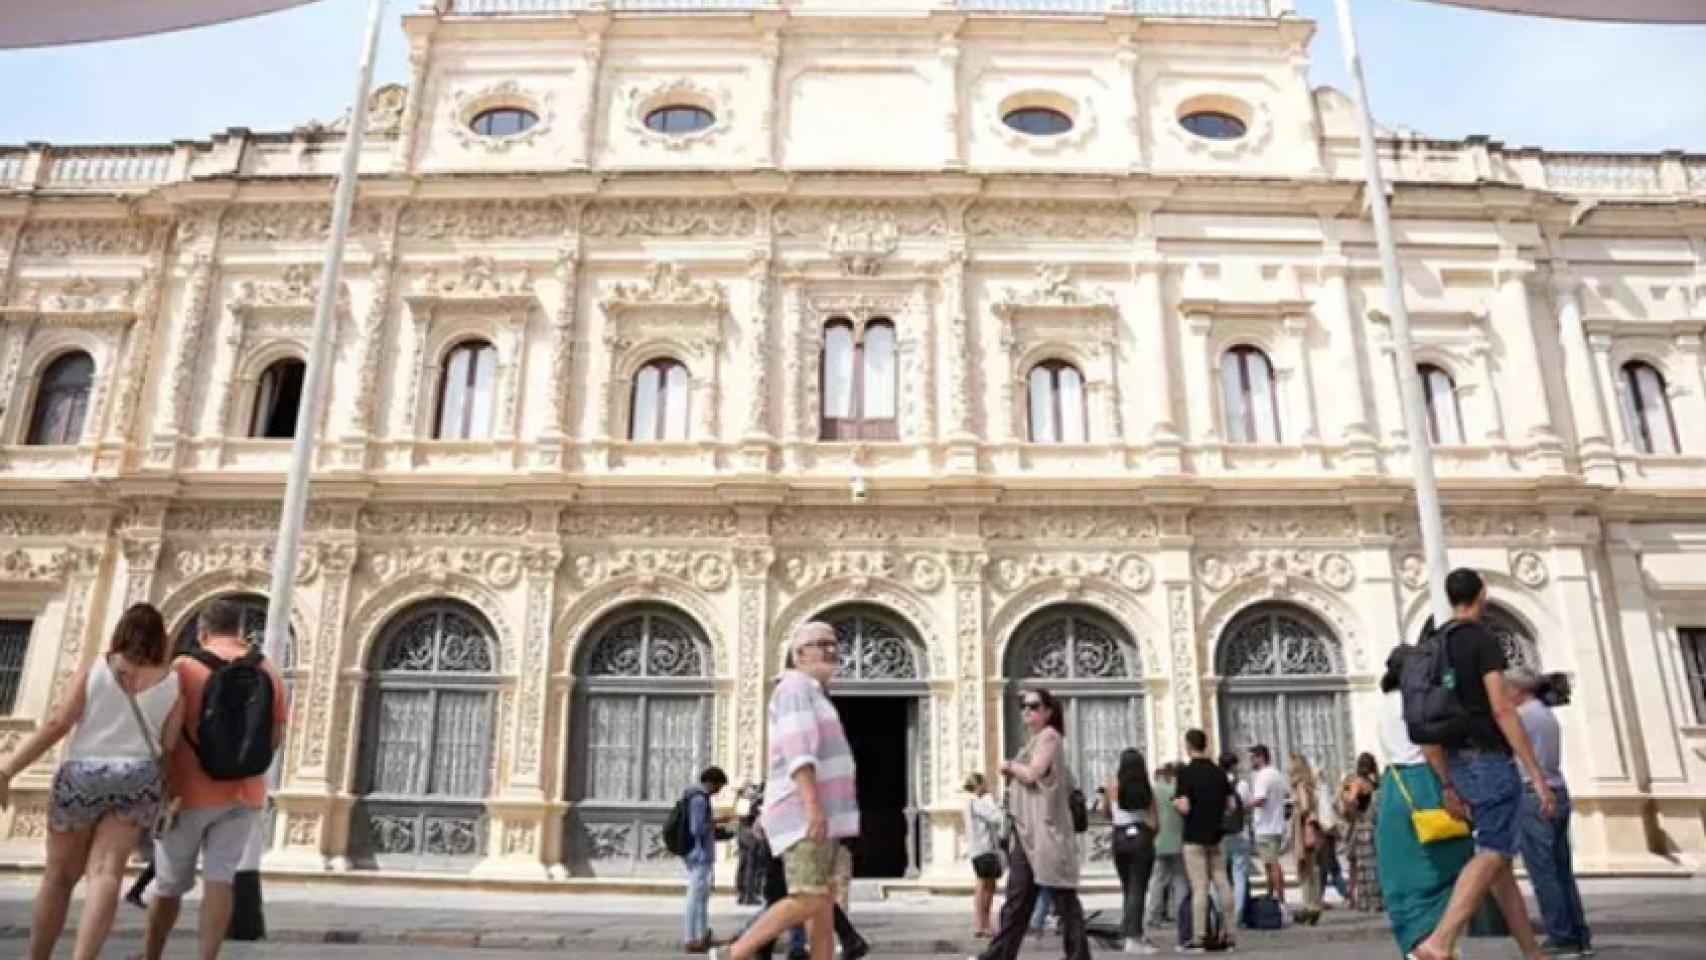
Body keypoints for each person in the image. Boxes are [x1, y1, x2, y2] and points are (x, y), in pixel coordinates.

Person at [0, 604, 183, 960]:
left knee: (58, 877)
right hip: (136, 778)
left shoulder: (94, 667)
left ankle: (38, 956)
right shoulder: (173, 682)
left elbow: (58, 724)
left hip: (82, 774)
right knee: (106, 873)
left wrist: (8, 770)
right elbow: (169, 746)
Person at [1408, 569, 1555, 960]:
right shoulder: (1482, 640)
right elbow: (1502, 708)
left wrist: (1447, 784)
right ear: (1482, 594)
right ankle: (1440, 941)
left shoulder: (1433, 644)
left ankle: (1532, 952)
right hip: (1487, 758)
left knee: (1500, 866)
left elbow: (1428, 724)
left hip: (1455, 762)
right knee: (1492, 851)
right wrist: (1536, 775)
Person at [140, 598, 288, 960]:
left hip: (187, 792)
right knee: (220, 878)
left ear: (203, 631)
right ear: (239, 630)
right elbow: (276, 734)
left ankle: (152, 954)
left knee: (168, 883)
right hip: (244, 794)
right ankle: (207, 957)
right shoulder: (268, 668)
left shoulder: (184, 667)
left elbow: (166, 730)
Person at [713, 622, 860, 960]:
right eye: (818, 644)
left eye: (833, 643)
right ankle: (732, 954)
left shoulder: (814, 691)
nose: (828, 650)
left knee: (822, 907)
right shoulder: (796, 687)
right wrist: (812, 806)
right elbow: (799, 751)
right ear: (798, 654)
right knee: (810, 896)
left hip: (821, 815)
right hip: (802, 813)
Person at [971, 687, 1091, 960]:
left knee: (1063, 899)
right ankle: (1000, 953)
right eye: (1023, 706)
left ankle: (1079, 955)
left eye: (1034, 706)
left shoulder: (1050, 737)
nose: (1027, 711)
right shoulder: (1034, 740)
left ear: (1048, 711)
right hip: (1026, 833)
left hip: (1045, 831)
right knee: (1018, 899)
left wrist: (1009, 767)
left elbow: (1034, 773)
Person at [1373, 646, 1473, 958]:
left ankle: (1418, 944)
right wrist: (1448, 785)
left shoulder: (1383, 705)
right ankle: (1437, 943)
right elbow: (1430, 747)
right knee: (1449, 864)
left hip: (1395, 786)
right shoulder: (1419, 699)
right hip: (1425, 783)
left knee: (1405, 874)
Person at [1508, 667, 1593, 957]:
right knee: (1561, 868)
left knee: (1543, 871)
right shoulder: (1545, 714)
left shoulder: (1521, 717)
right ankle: (1578, 934)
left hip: (1534, 793)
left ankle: (1561, 936)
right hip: (1557, 789)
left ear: (1517, 690)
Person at [1173, 729, 1235, 954]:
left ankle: (1199, 936)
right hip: (1216, 836)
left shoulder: (1186, 774)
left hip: (1194, 836)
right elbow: (1231, 805)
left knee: (1199, 886)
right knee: (1222, 882)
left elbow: (1185, 806)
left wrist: (1175, 804)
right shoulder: (1219, 773)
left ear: (1189, 747)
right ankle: (1230, 933)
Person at [1106, 748, 1158, 954]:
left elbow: (1106, 812)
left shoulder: (1113, 788)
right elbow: (1155, 822)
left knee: (1128, 887)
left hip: (1119, 839)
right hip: (1141, 838)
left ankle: (1128, 930)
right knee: (1138, 887)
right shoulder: (1147, 791)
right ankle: (1133, 937)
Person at [684, 766, 732, 953]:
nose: (719, 790)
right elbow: (697, 828)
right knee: (695, 896)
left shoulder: (700, 798)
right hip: (699, 854)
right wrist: (718, 820)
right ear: (712, 783)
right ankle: (692, 937)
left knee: (702, 896)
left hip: (701, 853)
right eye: (719, 786)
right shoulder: (698, 799)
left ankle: (701, 933)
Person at [1246, 744, 1288, 909]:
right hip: (1275, 824)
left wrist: (1245, 806)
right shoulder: (1276, 774)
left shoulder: (1263, 776)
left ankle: (1279, 899)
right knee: (1269, 864)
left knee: (1272, 864)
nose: (1251, 762)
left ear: (1260, 757)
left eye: (1252, 758)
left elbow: (1260, 799)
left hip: (1266, 826)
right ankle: (1272, 896)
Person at [1143, 764, 1184, 931]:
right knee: (1180, 880)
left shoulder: (1151, 792)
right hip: (1177, 840)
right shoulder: (1176, 791)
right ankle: (1183, 914)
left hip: (1158, 840)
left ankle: (1153, 915)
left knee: (1157, 880)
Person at [1341, 753, 1383, 912]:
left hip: (1361, 825)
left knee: (1362, 865)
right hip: (1374, 826)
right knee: (1374, 864)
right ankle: (1377, 899)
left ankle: (1364, 901)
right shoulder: (1374, 783)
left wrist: (1350, 812)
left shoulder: (1357, 783)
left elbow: (1351, 800)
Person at [964, 773, 1004, 939]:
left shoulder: (970, 802)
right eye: (985, 784)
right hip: (984, 849)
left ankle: (984, 924)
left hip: (980, 849)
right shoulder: (976, 803)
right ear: (979, 785)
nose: (987, 786)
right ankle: (982, 925)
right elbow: (997, 817)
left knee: (987, 886)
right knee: (985, 887)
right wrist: (991, 801)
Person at [1287, 754, 1324, 925]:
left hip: (1303, 829)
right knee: (1311, 868)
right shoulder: (1310, 784)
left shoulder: (1300, 785)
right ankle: (1313, 904)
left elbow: (1304, 807)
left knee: (1304, 869)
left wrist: (1296, 813)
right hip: (1310, 828)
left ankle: (1310, 905)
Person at [1218, 752, 1252, 927]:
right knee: (1239, 876)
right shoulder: (1242, 785)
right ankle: (1237, 916)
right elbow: (1247, 808)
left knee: (1220, 875)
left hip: (1220, 834)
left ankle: (1220, 914)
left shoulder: (1215, 783)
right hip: (1240, 833)